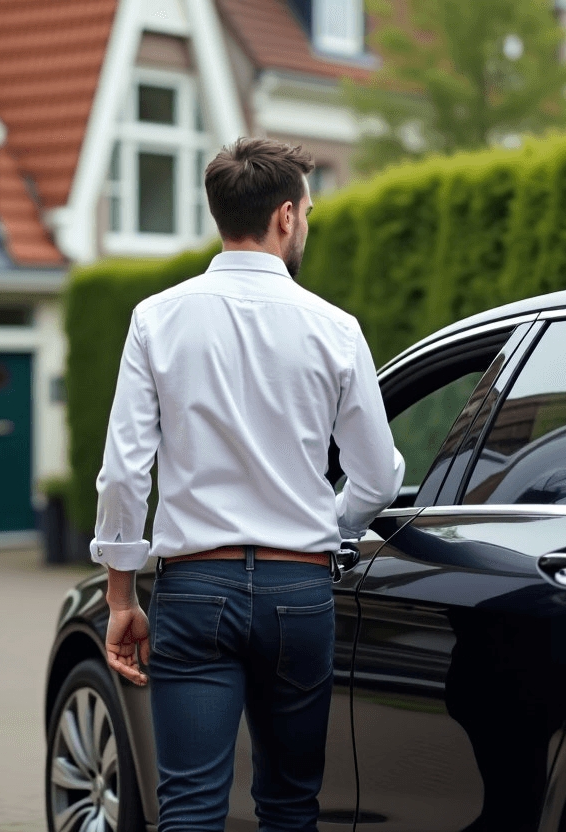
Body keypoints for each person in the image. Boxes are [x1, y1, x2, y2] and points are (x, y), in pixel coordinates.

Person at [90, 137, 405, 832]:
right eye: (310, 212)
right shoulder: (337, 329)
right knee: (290, 807)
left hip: (195, 592)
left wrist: (120, 593)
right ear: (286, 217)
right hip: (300, 593)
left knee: (192, 808)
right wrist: (326, 523)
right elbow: (378, 476)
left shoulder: (157, 319)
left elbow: (124, 471)